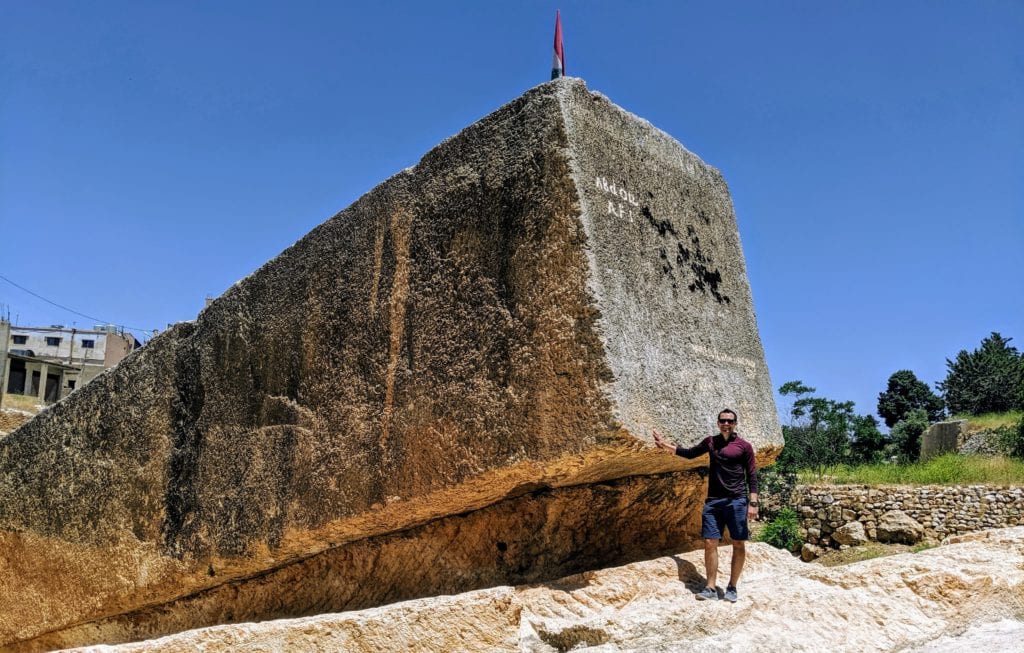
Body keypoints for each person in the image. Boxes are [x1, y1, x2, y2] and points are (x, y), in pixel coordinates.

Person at [652, 408, 758, 603]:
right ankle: (710, 587)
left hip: (737, 501)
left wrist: (753, 503)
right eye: (723, 420)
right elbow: (690, 453)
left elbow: (751, 475)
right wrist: (665, 445)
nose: (726, 424)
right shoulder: (711, 442)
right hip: (714, 501)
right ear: (718, 423)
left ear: (735, 423)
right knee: (710, 542)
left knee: (738, 543)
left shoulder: (744, 446)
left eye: (730, 421)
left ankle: (732, 587)